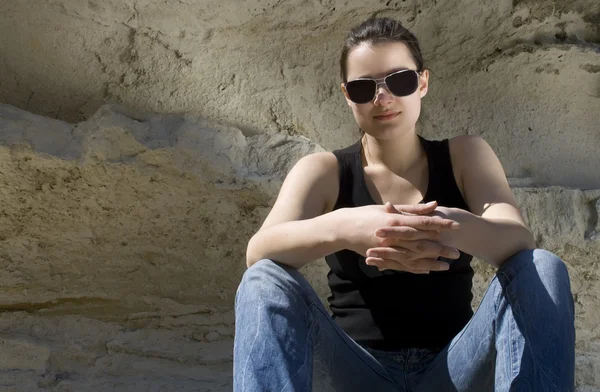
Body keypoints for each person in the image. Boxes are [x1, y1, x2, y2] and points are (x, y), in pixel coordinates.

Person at [233, 17, 575, 392]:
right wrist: (348, 227)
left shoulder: (464, 155)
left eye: (400, 81)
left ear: (422, 82)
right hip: (355, 371)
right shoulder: (324, 170)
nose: (383, 97)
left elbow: (517, 242)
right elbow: (259, 253)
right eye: (364, 88)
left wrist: (436, 223)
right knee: (263, 282)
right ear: (348, 95)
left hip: (453, 368)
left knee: (542, 265)